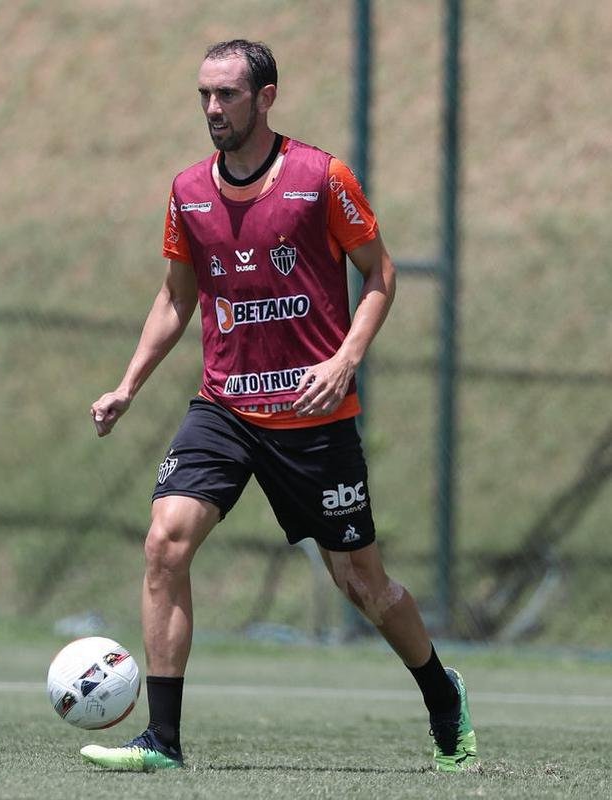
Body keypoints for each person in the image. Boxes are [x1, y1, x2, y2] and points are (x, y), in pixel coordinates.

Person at [80, 39, 477, 773]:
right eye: (204, 94)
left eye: (227, 94)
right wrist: (127, 385)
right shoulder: (188, 191)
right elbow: (176, 298)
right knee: (166, 541)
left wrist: (346, 358)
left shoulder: (321, 178)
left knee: (362, 584)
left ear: (265, 98)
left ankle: (440, 692)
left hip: (312, 416)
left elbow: (380, 273)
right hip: (224, 408)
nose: (212, 108)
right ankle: (162, 740)